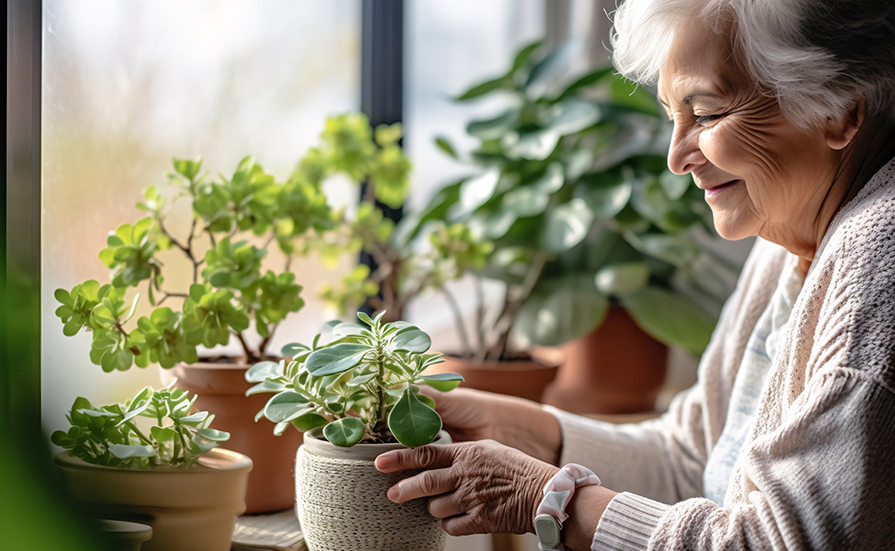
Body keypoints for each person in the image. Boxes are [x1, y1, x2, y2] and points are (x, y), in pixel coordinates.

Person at [375, 0, 895, 549]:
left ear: (838, 111)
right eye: (673, 116)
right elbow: (694, 458)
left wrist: (549, 501)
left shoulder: (877, 257)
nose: (677, 157)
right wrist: (528, 434)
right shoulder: (791, 229)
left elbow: (782, 543)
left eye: (709, 114)